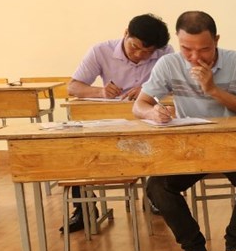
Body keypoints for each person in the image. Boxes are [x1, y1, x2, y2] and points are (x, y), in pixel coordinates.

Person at [133, 11, 236, 251]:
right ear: (178, 41)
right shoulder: (169, 64)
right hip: (190, 147)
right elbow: (139, 104)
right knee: (157, 187)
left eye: (204, 49)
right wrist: (152, 112)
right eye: (187, 49)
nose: (195, 57)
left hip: (232, 145)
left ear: (216, 40)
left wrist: (213, 90)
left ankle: (235, 247)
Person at [60, 14, 173, 231]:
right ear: (126, 33)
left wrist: (149, 90)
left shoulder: (166, 53)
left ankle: (156, 195)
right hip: (111, 121)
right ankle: (84, 208)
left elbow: (175, 84)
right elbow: (73, 87)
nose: (139, 55)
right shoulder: (100, 51)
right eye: (134, 47)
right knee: (77, 147)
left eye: (147, 52)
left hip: (150, 122)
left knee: (166, 142)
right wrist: (100, 92)